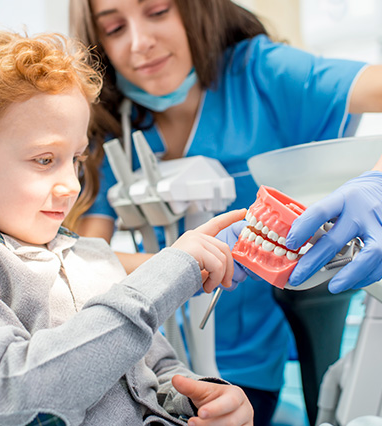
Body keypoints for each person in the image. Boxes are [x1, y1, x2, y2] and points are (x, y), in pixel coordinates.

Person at [0, 24, 254, 425]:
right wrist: (165, 273)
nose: (71, 185)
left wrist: (198, 398)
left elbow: (152, 374)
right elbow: (12, 398)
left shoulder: (90, 257)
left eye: (76, 159)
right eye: (45, 160)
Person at [68, 0, 382, 424]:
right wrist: (189, 264)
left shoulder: (263, 74)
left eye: (157, 11)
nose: (140, 43)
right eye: (115, 28)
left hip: (247, 374)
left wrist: (377, 183)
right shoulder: (111, 125)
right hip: (146, 367)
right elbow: (77, 258)